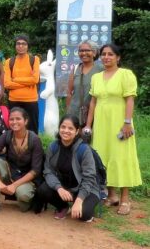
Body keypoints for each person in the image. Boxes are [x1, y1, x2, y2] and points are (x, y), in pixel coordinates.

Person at [84, 44, 141, 215]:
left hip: (120, 123)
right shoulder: (96, 77)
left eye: (110, 54)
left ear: (118, 57)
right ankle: (111, 195)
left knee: (121, 156)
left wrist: (127, 122)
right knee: (103, 157)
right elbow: (93, 102)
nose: (106, 57)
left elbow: (130, 99)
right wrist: (88, 125)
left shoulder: (126, 75)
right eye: (103, 54)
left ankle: (125, 199)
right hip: (101, 124)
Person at [0, 107, 43, 217]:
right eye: (11, 119)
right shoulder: (7, 135)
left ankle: (25, 197)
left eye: (18, 119)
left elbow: (35, 171)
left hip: (27, 179)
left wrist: (14, 186)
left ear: (26, 121)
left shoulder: (34, 139)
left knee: (23, 197)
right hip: (11, 173)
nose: (14, 122)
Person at [37, 115, 100, 222]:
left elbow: (89, 178)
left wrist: (79, 200)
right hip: (65, 187)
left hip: (86, 188)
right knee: (43, 189)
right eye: (63, 127)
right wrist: (59, 188)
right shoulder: (53, 146)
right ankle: (63, 207)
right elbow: (48, 171)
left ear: (77, 131)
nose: (66, 131)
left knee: (84, 215)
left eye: (70, 128)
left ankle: (81, 203)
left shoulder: (84, 149)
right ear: (59, 128)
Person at [3, 35, 40, 134]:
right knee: (15, 129)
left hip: (31, 100)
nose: (21, 46)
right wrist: (27, 83)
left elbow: (35, 80)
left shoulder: (34, 60)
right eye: (18, 44)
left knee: (32, 129)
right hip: (14, 100)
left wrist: (15, 79)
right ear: (15, 46)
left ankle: (33, 148)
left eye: (24, 44)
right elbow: (7, 84)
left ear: (28, 46)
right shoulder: (9, 62)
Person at [66, 40, 103, 127]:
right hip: (75, 112)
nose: (84, 53)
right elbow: (69, 93)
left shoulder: (101, 69)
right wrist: (68, 112)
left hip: (95, 112)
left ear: (94, 53)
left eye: (87, 50)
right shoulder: (75, 69)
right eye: (81, 51)